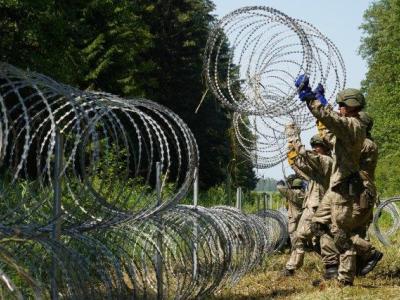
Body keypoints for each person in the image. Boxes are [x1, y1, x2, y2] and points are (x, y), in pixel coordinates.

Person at [295, 75, 382, 286]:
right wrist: (322, 104)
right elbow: (330, 132)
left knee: (342, 232)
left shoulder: (355, 128)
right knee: (319, 225)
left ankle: (349, 273)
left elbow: (333, 122)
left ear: (350, 106)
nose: (339, 107)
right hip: (338, 187)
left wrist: (312, 101)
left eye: (341, 104)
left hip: (350, 188)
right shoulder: (349, 128)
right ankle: (336, 266)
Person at [282, 132, 333, 277]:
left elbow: (307, 156)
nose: (316, 148)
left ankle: (292, 266)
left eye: (319, 146)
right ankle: (333, 265)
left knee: (302, 236)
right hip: (314, 206)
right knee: (321, 239)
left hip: (318, 207)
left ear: (326, 148)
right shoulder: (318, 165)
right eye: (314, 146)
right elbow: (303, 167)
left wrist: (295, 140)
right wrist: (293, 155)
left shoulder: (326, 161)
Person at [276, 176, 305, 262]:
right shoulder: (305, 194)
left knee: (293, 235)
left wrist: (280, 183)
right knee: (301, 235)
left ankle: (295, 253)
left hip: (293, 217)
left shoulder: (291, 193)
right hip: (303, 217)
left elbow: (280, 188)